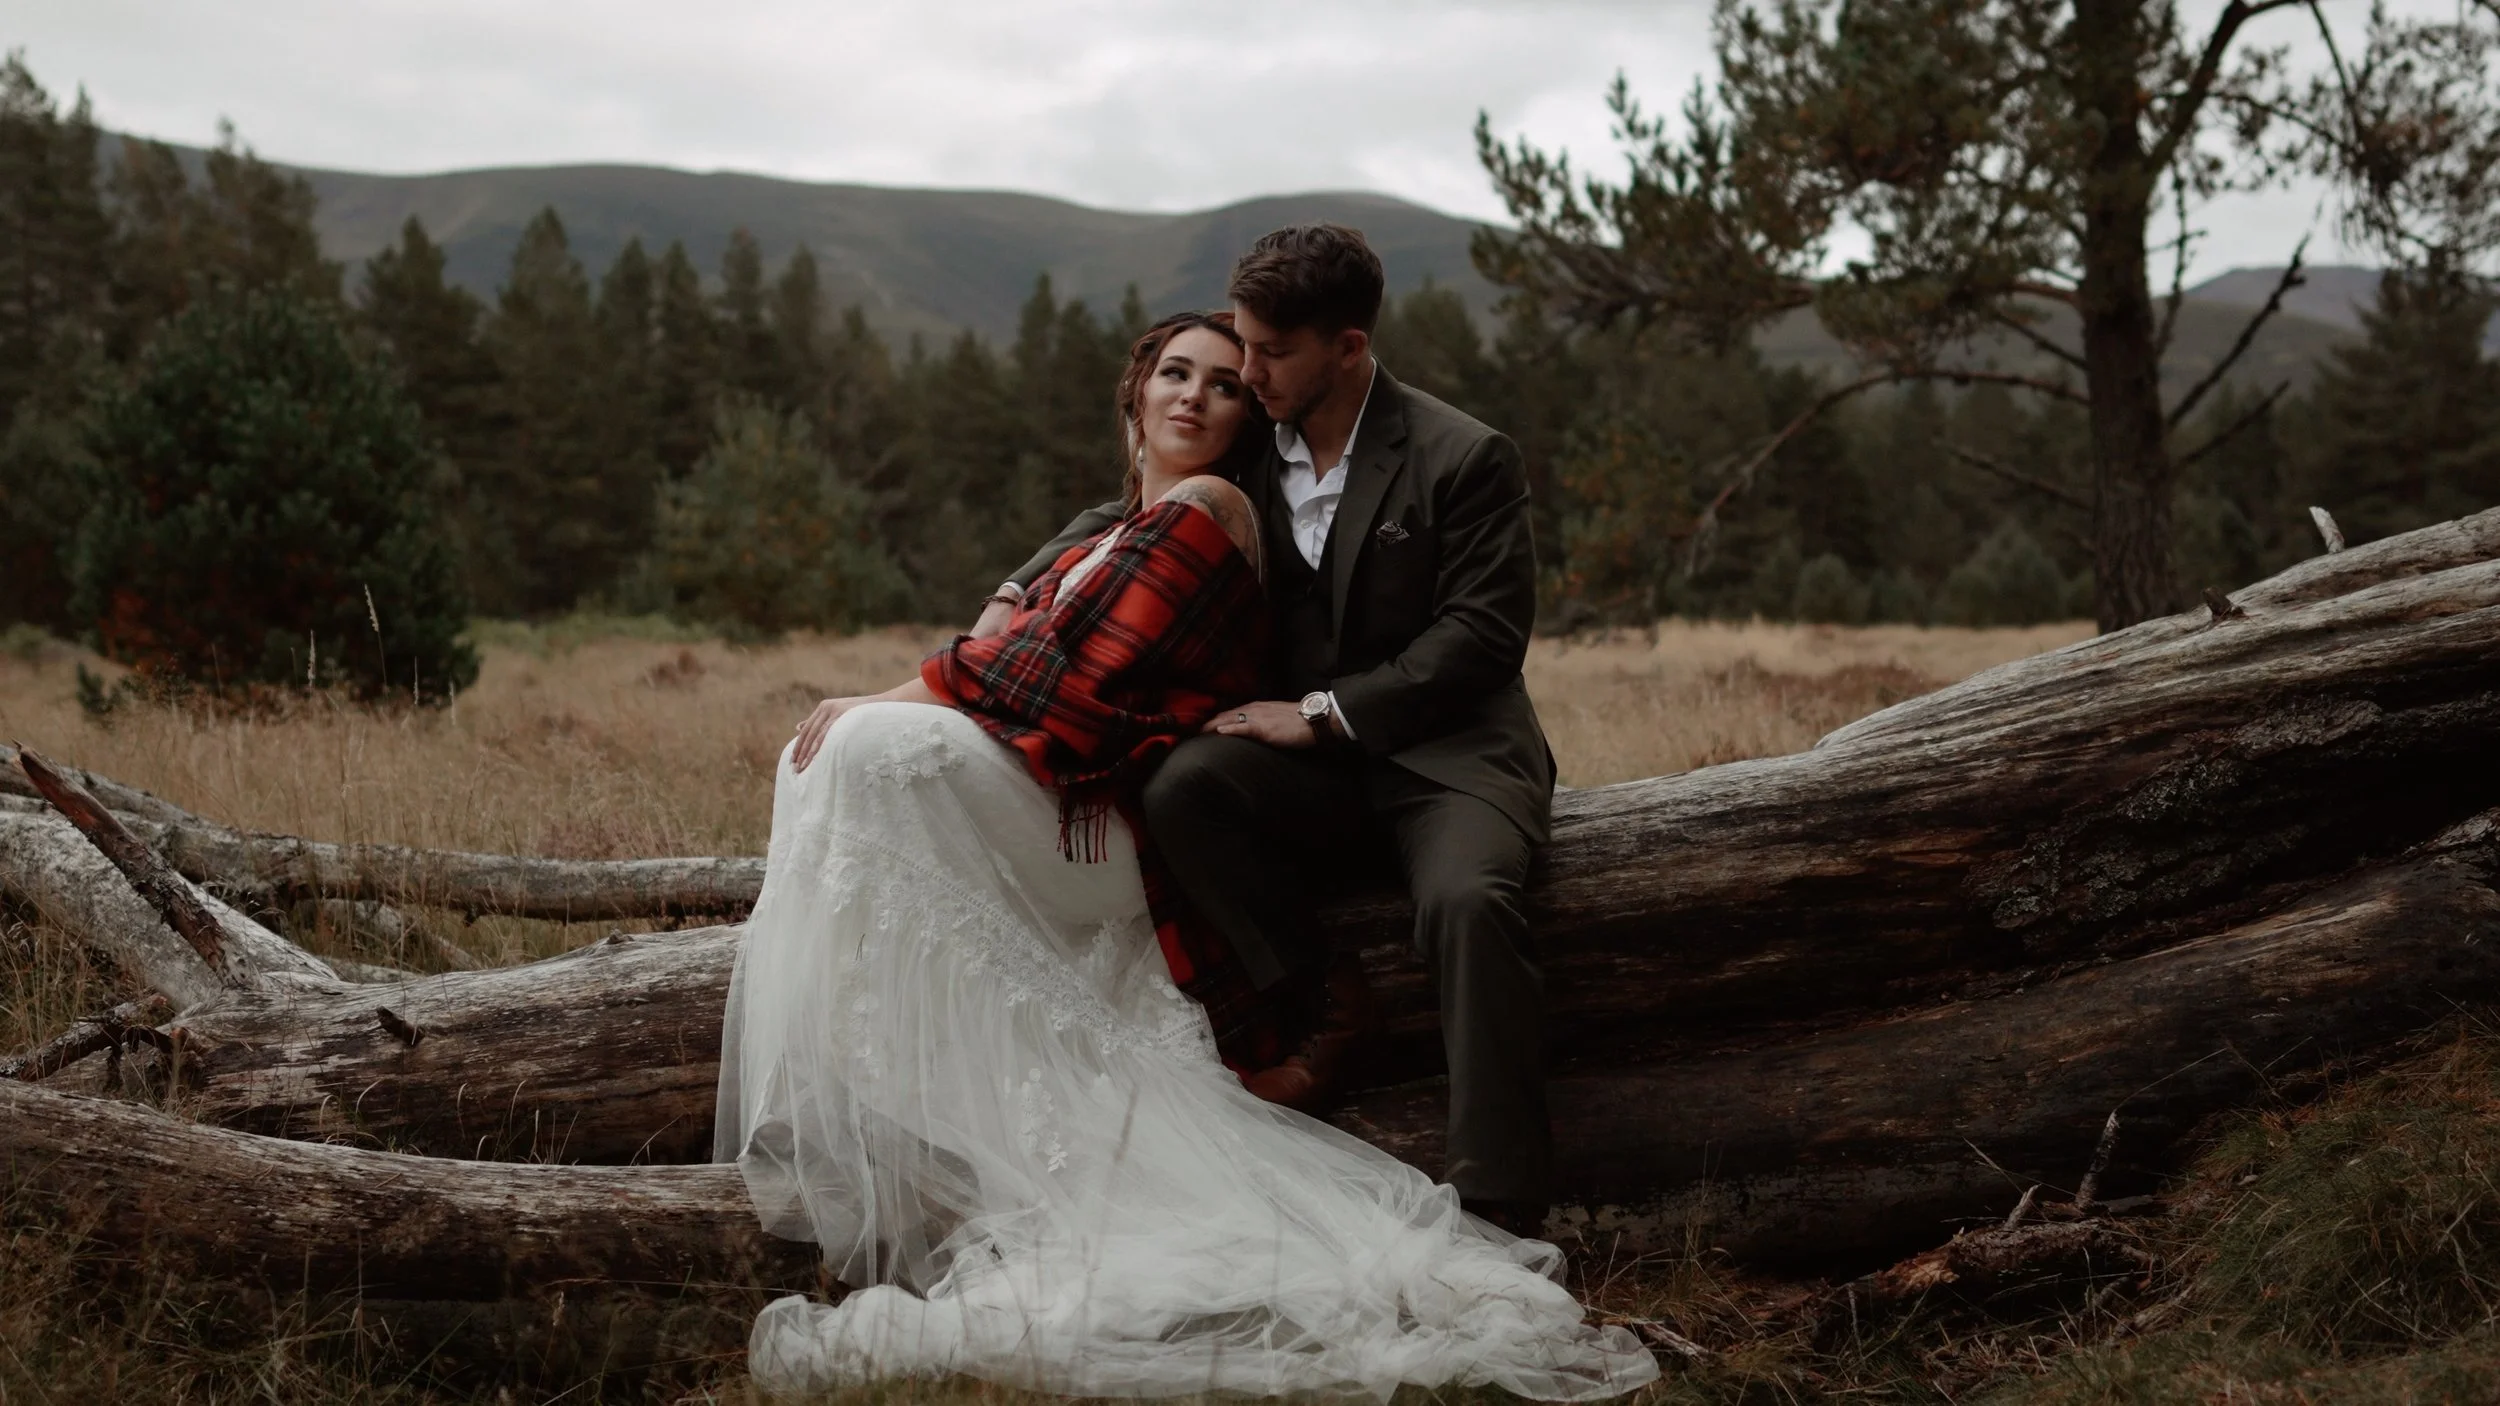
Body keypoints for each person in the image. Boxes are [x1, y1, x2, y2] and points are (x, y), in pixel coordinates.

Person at [716, 311, 1656, 1398]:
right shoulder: (1094, 532)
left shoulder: (1213, 514)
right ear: (1133, 395)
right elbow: (1013, 640)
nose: (1194, 395)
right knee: (822, 756)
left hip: (1107, 820)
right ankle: (896, 1121)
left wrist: (900, 685)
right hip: (1050, 787)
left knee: (868, 750)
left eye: (1221, 384)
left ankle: (1479, 1174)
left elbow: (1062, 681)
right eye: (1172, 372)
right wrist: (999, 617)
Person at [992, 224, 1559, 1238]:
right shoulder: (1253, 441)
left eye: (1269, 351)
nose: (1243, 371)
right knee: (1184, 787)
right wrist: (1015, 587)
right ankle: (1323, 1006)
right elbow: (1125, 512)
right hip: (1308, 772)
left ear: (1349, 346)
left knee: (1470, 901)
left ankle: (1501, 1199)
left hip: (1447, 755)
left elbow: (1483, 634)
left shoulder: (1461, 454)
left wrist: (1323, 712)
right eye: (1239, 346)